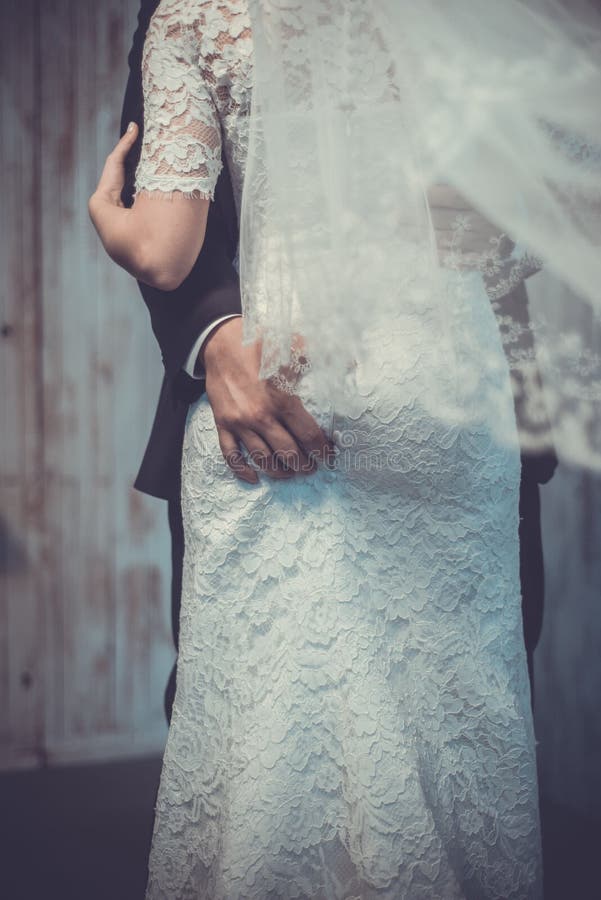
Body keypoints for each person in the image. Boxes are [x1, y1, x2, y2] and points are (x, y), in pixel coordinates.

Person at [88, 1, 576, 896]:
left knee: (266, 739)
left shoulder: (197, 12)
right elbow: (545, 200)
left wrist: (111, 218)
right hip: (445, 387)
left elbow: (162, 251)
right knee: (459, 739)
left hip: (297, 366)